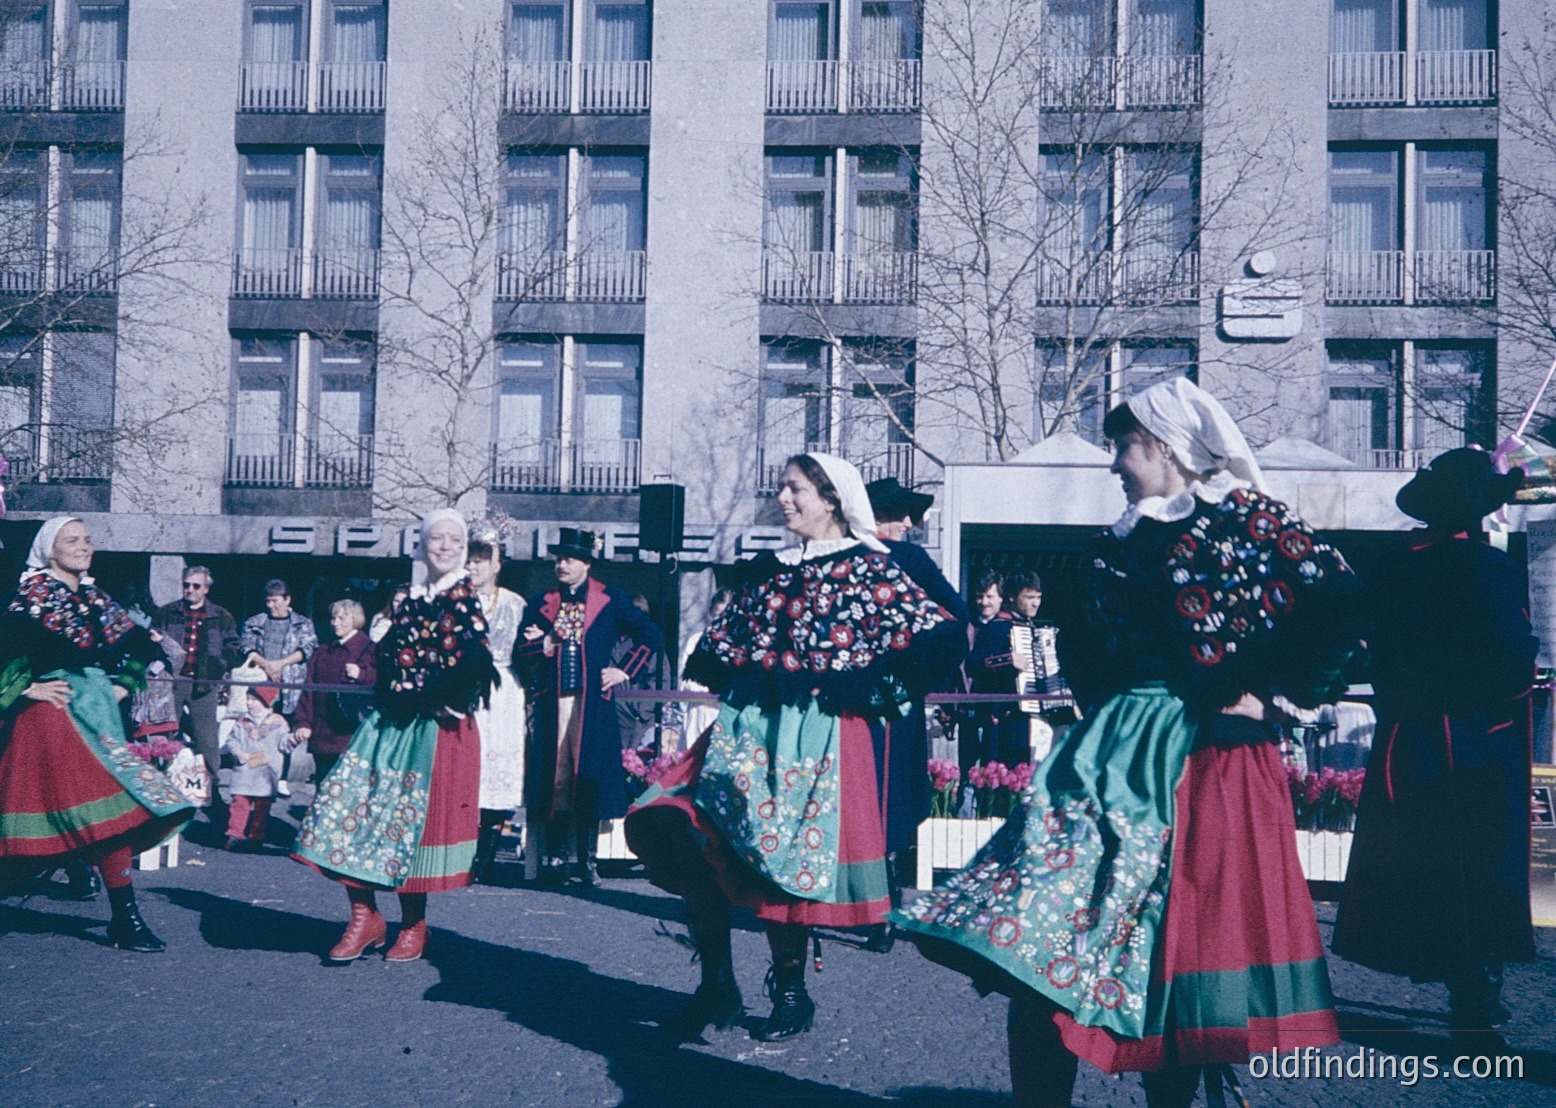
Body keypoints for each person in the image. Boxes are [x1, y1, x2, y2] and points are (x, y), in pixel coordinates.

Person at [896, 379, 1364, 1108]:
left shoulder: (1244, 519)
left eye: (1123, 445)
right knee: (1040, 933)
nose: (1113, 462)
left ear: (1168, 447)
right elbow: (1084, 652)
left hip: (1213, 759)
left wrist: (1272, 690)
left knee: (1176, 955)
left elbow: (1338, 602)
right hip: (1107, 754)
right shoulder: (1112, 545)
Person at [625, 454, 962, 1043]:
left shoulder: (869, 568)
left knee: (787, 865)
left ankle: (789, 991)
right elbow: (724, 645)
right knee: (689, 830)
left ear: (831, 498)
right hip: (746, 731)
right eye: (782, 487)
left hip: (818, 737)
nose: (783, 497)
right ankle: (716, 984)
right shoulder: (768, 570)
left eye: (795, 488)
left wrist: (865, 685)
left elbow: (934, 635)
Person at [1333, 448, 1539, 1033]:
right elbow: (1509, 661)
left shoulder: (1394, 563)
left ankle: (1451, 977)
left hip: (1407, 734)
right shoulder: (1488, 567)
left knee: (1419, 863)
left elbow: (1362, 640)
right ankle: (1476, 1000)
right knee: (1478, 867)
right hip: (1473, 739)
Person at [292, 509, 497, 964]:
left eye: (453, 539)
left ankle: (413, 923)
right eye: (435, 538)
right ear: (421, 545)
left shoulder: (465, 599)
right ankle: (364, 915)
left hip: (432, 729)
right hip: (387, 722)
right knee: (346, 808)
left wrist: (449, 697)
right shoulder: (405, 597)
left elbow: (476, 666)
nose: (443, 546)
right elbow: (381, 659)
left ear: (463, 548)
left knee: (409, 827)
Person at [0, 518, 194, 951]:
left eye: (87, 539)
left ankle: (123, 919)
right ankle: (125, 918)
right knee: (99, 816)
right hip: (53, 718)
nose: (85, 546)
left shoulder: (93, 596)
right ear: (50, 550)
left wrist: (124, 683)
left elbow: (146, 644)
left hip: (98, 714)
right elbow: (4, 647)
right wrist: (26, 687)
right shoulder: (32, 596)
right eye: (73, 540)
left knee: (103, 818)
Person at [517, 527, 663, 886]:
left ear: (586, 563)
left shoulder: (610, 599)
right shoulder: (540, 601)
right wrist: (546, 642)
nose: (561, 565)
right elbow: (520, 652)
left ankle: (586, 860)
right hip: (553, 704)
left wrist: (623, 669)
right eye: (558, 559)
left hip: (592, 705)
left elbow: (651, 634)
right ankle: (554, 858)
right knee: (556, 778)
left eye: (568, 559)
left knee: (589, 779)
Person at [865, 476, 970, 906]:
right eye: (902, 513)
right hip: (894, 695)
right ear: (879, 515)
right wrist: (921, 670)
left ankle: (875, 895)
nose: (910, 522)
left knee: (868, 791)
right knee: (887, 794)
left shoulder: (849, 555)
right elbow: (954, 617)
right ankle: (882, 896)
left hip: (862, 695)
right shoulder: (907, 557)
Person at [153, 565, 244, 817]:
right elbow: (151, 642)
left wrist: (218, 668)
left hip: (204, 681)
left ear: (206, 588)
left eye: (195, 585)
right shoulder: (166, 613)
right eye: (186, 584)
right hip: (173, 680)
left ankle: (213, 794)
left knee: (207, 738)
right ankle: (161, 791)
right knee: (165, 734)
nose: (189, 590)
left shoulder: (221, 616)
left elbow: (233, 646)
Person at [466, 526, 527, 885]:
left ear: (496, 564)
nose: (473, 568)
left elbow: (527, 654)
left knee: (496, 773)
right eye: (469, 561)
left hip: (503, 693)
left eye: (480, 561)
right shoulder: (456, 600)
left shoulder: (514, 604)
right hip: (466, 691)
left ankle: (485, 855)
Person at [965, 572, 1063, 767]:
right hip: (1006, 718)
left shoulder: (1035, 629)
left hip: (1035, 718)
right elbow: (973, 665)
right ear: (1012, 597)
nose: (1035, 604)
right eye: (1029, 597)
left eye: (1038, 597)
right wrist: (1007, 660)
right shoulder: (998, 628)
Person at [238, 579, 318, 798]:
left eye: (275, 601)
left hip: (289, 686)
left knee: (283, 733)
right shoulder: (256, 621)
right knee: (258, 731)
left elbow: (308, 649)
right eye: (268, 601)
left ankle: (281, 776)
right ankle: (257, 772)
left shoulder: (302, 623)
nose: (270, 605)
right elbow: (246, 646)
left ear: (287, 600)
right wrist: (266, 664)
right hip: (260, 686)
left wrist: (280, 664)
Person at [292, 599, 377, 787]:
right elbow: (309, 689)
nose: (335, 622)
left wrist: (362, 674)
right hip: (322, 734)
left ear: (355, 619)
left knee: (348, 789)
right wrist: (303, 722)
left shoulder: (369, 650)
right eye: (333, 617)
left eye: (342, 618)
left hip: (351, 733)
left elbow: (380, 684)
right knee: (322, 786)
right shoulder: (322, 651)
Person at [221, 685, 291, 852]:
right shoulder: (242, 722)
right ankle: (234, 834)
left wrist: (294, 739)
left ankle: (256, 836)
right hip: (244, 770)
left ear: (265, 701)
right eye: (248, 699)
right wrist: (237, 751)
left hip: (266, 773)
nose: (249, 703)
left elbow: (284, 744)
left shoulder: (278, 722)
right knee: (240, 803)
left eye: (254, 699)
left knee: (262, 807)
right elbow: (232, 740)